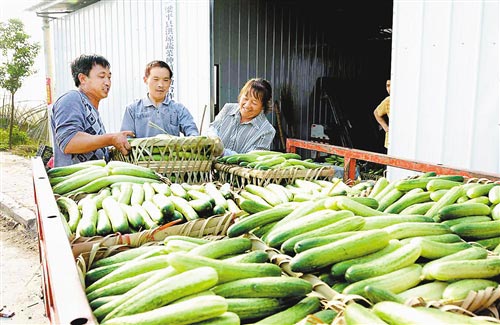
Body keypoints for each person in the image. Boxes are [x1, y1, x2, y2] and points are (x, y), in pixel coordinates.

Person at [50, 54, 133, 167]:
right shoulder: (72, 99)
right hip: (75, 182)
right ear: (83, 79)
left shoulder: (92, 109)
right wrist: (111, 139)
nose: (107, 82)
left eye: (109, 77)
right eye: (101, 76)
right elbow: (69, 142)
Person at [120, 60, 199, 138]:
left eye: (165, 80)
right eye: (156, 79)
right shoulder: (132, 109)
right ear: (145, 80)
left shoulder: (178, 109)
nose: (160, 85)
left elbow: (193, 133)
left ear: (170, 82)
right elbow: (126, 140)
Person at [206, 78, 276, 156]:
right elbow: (213, 127)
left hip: (236, 168)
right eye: (245, 98)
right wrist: (213, 138)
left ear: (263, 106)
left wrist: (222, 152)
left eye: (254, 102)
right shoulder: (228, 109)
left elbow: (252, 158)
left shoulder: (267, 131)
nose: (247, 105)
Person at [373, 79, 391, 149]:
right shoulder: (388, 100)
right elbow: (376, 113)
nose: (389, 89)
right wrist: (386, 127)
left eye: (391, 86)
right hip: (390, 140)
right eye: (387, 86)